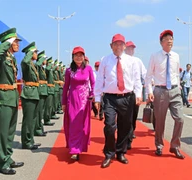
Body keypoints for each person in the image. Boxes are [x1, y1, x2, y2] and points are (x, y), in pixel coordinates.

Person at [94, 34, 142, 168]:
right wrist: (97, 98)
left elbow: (137, 79)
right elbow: (99, 80)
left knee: (125, 126)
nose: (118, 47)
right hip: (110, 98)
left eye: (121, 44)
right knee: (109, 125)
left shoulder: (131, 61)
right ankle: (109, 153)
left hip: (127, 97)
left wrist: (138, 94)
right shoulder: (105, 60)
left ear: (125, 46)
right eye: (115, 44)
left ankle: (121, 152)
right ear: (111, 46)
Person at [145, 29, 185, 159]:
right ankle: (159, 145)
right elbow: (149, 75)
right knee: (160, 121)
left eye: (171, 39)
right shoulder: (155, 56)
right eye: (167, 39)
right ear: (161, 42)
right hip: (160, 91)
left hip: (174, 91)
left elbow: (176, 74)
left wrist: (178, 87)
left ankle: (175, 146)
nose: (170, 41)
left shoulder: (176, 56)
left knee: (180, 119)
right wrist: (150, 92)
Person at [0, 28, 24, 175]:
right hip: (3, 98)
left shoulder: (11, 58)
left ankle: (8, 158)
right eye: (15, 41)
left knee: (10, 132)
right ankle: (2, 162)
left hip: (12, 97)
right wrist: (8, 42)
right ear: (8, 43)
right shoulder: (0, 56)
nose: (18, 44)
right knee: (2, 132)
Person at [62, 46, 95, 160]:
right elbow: (66, 87)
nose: (79, 57)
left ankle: (81, 146)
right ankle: (74, 149)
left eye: (81, 55)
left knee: (82, 125)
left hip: (85, 101)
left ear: (84, 56)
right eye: (76, 55)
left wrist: (92, 94)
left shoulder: (89, 69)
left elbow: (93, 83)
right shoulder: (69, 71)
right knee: (73, 124)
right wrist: (64, 102)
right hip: (73, 100)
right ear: (73, 57)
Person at [124, 40, 147, 147]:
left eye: (132, 48)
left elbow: (145, 74)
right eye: (129, 48)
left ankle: (131, 131)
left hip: (135, 92)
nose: (131, 50)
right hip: (124, 92)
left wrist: (150, 84)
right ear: (125, 48)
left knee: (134, 115)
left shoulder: (138, 61)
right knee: (126, 116)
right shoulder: (121, 60)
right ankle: (127, 138)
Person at [20, 42, 41, 150]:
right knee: (28, 120)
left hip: (34, 93)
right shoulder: (26, 63)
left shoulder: (32, 64)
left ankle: (30, 140)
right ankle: (26, 142)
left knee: (32, 119)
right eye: (35, 52)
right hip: (28, 94)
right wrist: (29, 53)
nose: (37, 54)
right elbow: (25, 61)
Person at [34, 51, 48, 136]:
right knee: (38, 112)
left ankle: (40, 127)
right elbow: (37, 64)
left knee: (41, 111)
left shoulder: (42, 68)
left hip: (43, 91)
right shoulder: (37, 66)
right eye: (44, 59)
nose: (45, 61)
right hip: (39, 91)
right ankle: (37, 128)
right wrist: (41, 58)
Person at [43, 57, 55, 126]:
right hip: (49, 89)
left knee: (50, 105)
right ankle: (46, 119)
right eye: (51, 63)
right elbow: (47, 68)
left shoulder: (50, 70)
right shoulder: (47, 69)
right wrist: (50, 64)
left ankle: (48, 118)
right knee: (47, 106)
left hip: (52, 89)